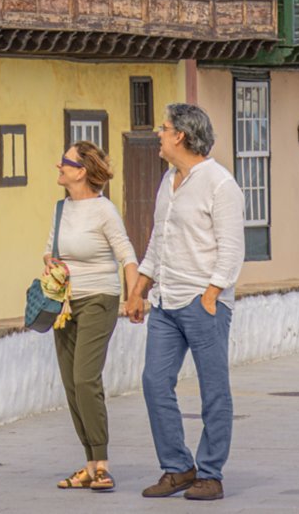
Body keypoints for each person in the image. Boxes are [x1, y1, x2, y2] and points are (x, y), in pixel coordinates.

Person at [128, 103, 245, 502]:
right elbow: (157, 242)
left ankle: (210, 473)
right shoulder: (168, 181)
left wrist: (212, 294)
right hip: (164, 302)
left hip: (203, 303)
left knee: (214, 389)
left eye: (163, 129)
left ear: (180, 134)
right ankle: (177, 467)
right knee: (154, 381)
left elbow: (231, 250)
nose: (158, 136)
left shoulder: (220, 184)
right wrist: (139, 290)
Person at [45, 139, 140, 493]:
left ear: (81, 171)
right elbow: (48, 252)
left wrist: (133, 296)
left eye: (64, 161)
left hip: (100, 299)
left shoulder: (104, 211)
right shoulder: (61, 209)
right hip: (65, 304)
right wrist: (52, 266)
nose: (59, 166)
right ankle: (89, 464)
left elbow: (127, 256)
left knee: (86, 378)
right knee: (71, 384)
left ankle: (103, 465)